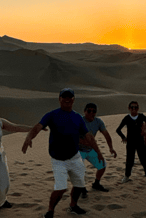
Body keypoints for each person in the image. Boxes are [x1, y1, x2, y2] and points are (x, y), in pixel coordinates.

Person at [22, 88, 104, 218]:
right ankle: (50, 211)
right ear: (59, 99)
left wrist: (98, 151)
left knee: (79, 184)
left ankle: (73, 206)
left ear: (73, 99)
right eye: (64, 97)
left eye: (70, 97)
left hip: (74, 156)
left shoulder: (77, 117)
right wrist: (29, 137)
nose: (67, 99)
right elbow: (38, 126)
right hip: (58, 159)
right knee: (60, 188)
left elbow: (88, 135)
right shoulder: (52, 115)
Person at [79, 103, 117, 197]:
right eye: (89, 111)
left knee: (102, 165)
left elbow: (106, 135)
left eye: (94, 111)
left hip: (90, 149)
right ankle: (81, 188)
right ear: (84, 111)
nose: (92, 113)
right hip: (78, 149)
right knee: (79, 168)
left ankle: (96, 183)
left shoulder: (98, 121)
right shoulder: (79, 120)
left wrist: (111, 148)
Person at [116, 101, 146, 184]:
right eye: (132, 107)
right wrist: (123, 137)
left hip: (141, 142)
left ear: (138, 108)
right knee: (129, 160)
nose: (134, 109)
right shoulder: (127, 118)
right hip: (130, 143)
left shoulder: (141, 116)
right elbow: (118, 130)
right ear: (129, 108)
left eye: (136, 107)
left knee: (144, 160)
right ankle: (126, 176)